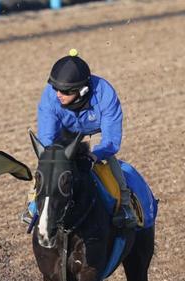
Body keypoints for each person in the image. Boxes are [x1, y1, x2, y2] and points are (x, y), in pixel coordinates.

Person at [26, 49, 136, 228]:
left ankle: (124, 205)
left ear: (83, 90)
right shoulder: (51, 96)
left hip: (95, 132)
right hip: (65, 133)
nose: (58, 94)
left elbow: (111, 140)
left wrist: (94, 156)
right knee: (49, 162)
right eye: (55, 88)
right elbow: (47, 138)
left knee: (109, 161)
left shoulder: (105, 95)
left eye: (64, 91)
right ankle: (33, 203)